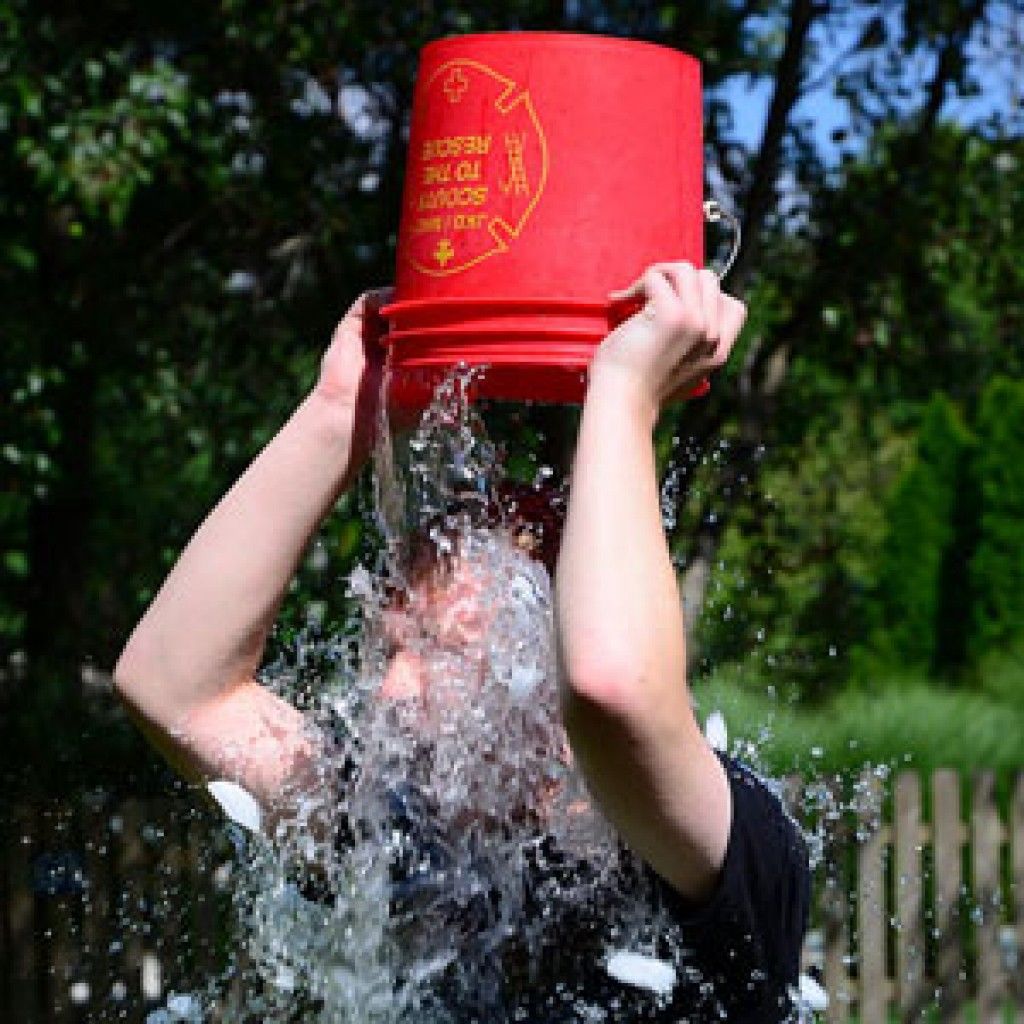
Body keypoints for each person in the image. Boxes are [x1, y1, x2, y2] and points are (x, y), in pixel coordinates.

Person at [114, 262, 810, 1022]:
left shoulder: (717, 845)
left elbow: (616, 691)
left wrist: (625, 394)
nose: (390, 687)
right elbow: (176, 688)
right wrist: (336, 410)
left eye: (442, 650)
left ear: (547, 657)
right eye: (391, 648)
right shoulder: (399, 834)